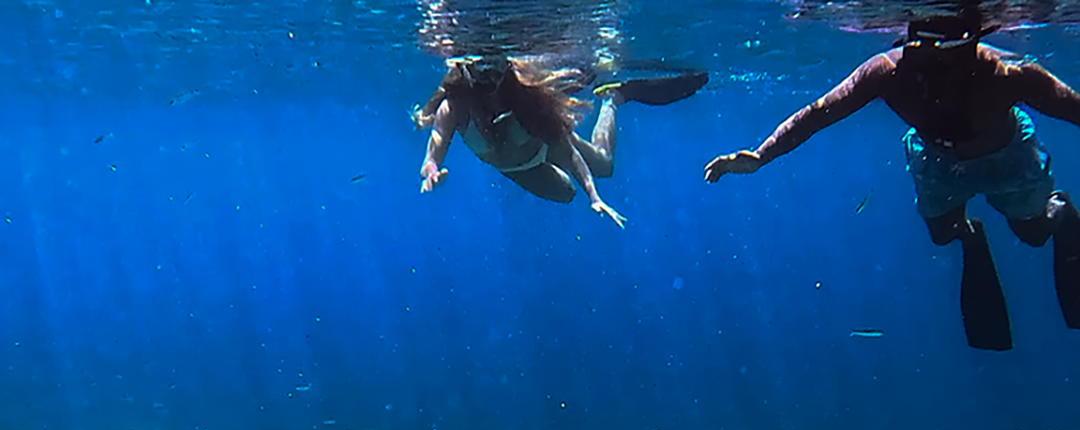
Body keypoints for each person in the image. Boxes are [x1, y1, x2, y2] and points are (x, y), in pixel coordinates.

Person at [703, 10, 1080, 351]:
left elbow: (1072, 107)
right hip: (936, 156)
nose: (935, 65)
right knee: (944, 232)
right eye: (924, 51)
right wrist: (761, 155)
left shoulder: (1008, 75)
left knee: (1033, 234)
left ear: (971, 46)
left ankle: (1059, 211)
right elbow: (819, 113)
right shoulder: (887, 73)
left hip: (1007, 157)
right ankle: (971, 233)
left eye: (946, 54)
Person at [418, 56, 707, 228]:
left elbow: (569, 156)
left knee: (604, 166)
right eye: (480, 73)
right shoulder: (454, 108)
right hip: (517, 168)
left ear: (505, 71)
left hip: (547, 145)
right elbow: (434, 151)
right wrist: (431, 172)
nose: (487, 81)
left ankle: (614, 99)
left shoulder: (526, 101)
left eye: (493, 73)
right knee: (566, 194)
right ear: (464, 72)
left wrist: (594, 197)